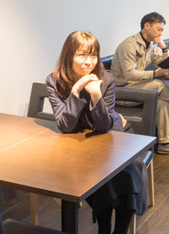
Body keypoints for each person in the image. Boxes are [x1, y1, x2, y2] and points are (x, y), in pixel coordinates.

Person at [46, 30, 146, 234]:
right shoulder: (54, 81)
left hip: (114, 135)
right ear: (69, 56)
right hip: (80, 142)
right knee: (100, 173)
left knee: (127, 171)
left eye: (93, 55)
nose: (88, 62)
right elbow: (65, 125)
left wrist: (96, 95)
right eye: (81, 55)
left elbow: (104, 125)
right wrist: (76, 91)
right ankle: (104, 228)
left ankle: (119, 231)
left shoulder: (105, 79)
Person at [110, 12, 169, 157]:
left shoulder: (151, 45)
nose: (161, 33)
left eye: (162, 30)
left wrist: (163, 46)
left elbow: (165, 63)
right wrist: (155, 74)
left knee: (162, 103)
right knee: (158, 84)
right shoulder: (129, 45)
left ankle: (166, 144)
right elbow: (129, 75)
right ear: (147, 26)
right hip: (122, 91)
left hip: (137, 88)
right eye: (159, 29)